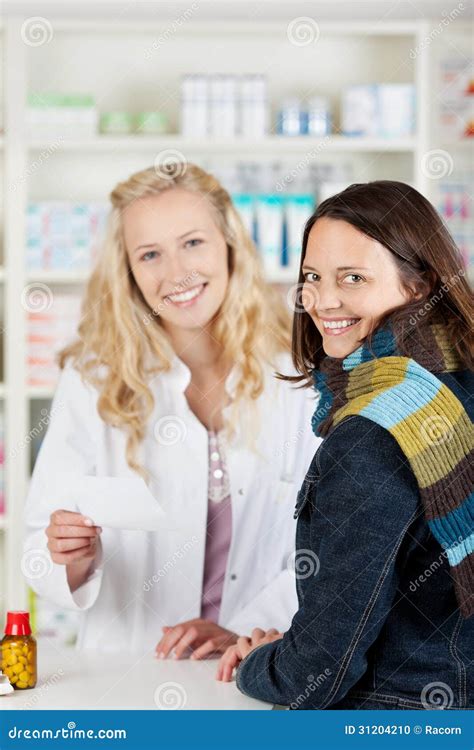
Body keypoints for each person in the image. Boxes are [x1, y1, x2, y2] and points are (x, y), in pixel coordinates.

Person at [23, 163, 318, 654]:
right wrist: (69, 556)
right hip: (129, 675)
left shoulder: (296, 377)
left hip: (260, 663)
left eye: (193, 243)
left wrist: (244, 629)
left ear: (230, 245)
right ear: (129, 272)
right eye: (150, 254)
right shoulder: (94, 379)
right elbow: (38, 549)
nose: (176, 273)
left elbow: (327, 548)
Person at [217, 180, 474, 710]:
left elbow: (314, 677)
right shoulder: (460, 383)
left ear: (419, 285)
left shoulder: (376, 431)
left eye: (353, 278)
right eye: (312, 277)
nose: (322, 300)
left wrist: (258, 663)